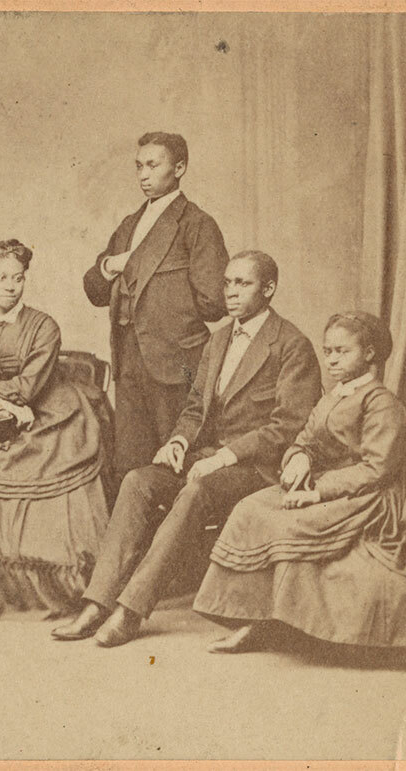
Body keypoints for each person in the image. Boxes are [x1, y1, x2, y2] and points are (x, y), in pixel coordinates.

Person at [53, 251, 321, 646]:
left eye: (243, 284)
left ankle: (130, 610)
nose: (230, 293)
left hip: (256, 467)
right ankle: (98, 602)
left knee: (196, 491)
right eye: (227, 283)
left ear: (269, 289)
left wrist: (226, 457)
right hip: (208, 456)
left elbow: (290, 425)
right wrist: (178, 440)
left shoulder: (292, 345)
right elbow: (196, 407)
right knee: (139, 480)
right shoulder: (219, 340)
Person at [194, 311, 406, 653]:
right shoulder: (333, 397)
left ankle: (272, 622)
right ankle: (250, 617)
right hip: (326, 480)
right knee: (251, 508)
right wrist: (300, 456)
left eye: (342, 352)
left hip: (371, 493)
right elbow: (307, 438)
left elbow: (377, 469)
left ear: (369, 354)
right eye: (328, 351)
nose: (331, 360)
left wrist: (316, 493)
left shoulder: (381, 402)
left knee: (290, 521)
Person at [0, 239, 110, 621]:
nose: (11, 285)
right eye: (2, 278)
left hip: (50, 417)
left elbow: (30, 388)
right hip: (0, 418)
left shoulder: (43, 326)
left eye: (18, 278)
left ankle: (59, 588)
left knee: (46, 469)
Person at [82, 132, 228, 485]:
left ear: (179, 168)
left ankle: (176, 541)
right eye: (139, 166)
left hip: (178, 362)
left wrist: (169, 310)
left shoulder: (197, 224)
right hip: (129, 359)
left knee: (177, 461)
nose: (143, 175)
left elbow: (215, 302)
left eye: (153, 165)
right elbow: (95, 289)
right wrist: (109, 266)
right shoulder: (129, 225)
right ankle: (136, 541)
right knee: (130, 462)